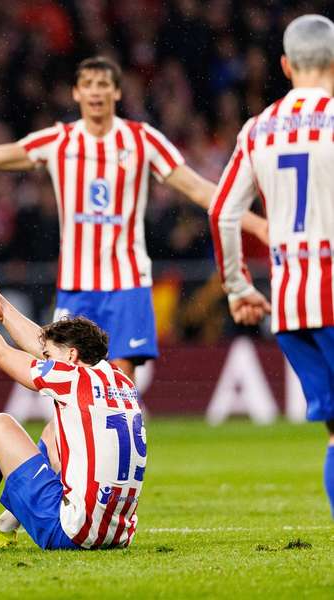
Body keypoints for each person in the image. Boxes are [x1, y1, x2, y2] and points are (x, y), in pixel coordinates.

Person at [0, 56, 268, 381]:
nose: (96, 91)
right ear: (76, 92)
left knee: (121, 379)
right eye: (87, 83)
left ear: (117, 91)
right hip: (77, 287)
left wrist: (256, 224)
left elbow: (198, 189)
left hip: (127, 283)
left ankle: (120, 445)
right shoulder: (60, 140)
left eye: (103, 84)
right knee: (65, 379)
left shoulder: (142, 139)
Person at [0, 275, 145, 551]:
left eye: (48, 357)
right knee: (53, 429)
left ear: (72, 356)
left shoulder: (71, 379)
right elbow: (41, 343)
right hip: (117, 536)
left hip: (71, 535)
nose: (43, 361)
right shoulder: (119, 379)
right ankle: (3, 528)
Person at [209, 14, 334, 518]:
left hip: (289, 305)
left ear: (285, 65)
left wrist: (238, 287)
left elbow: (222, 212)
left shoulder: (258, 128)